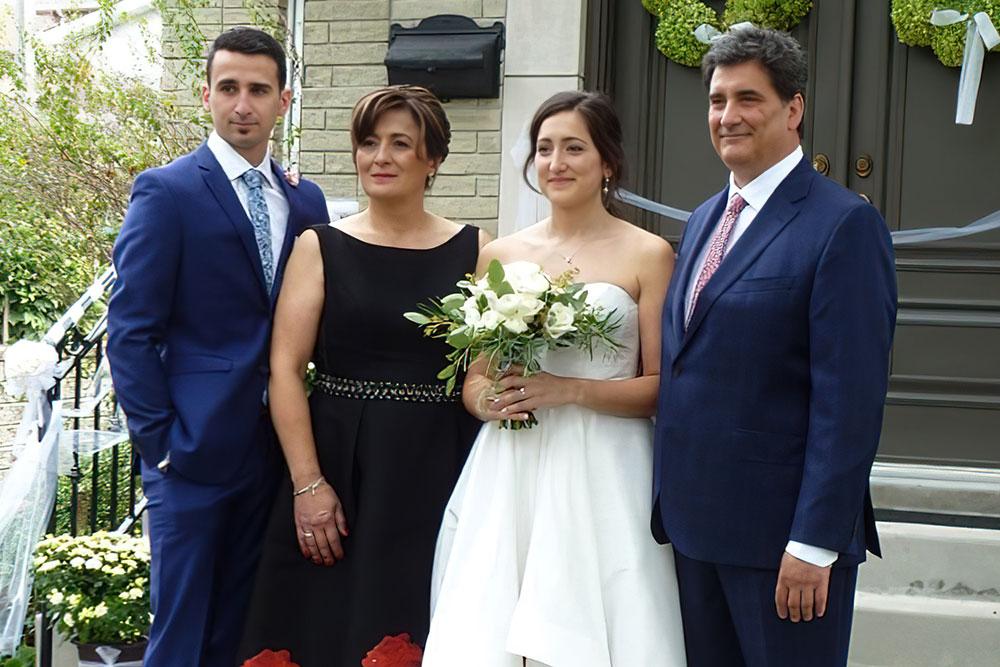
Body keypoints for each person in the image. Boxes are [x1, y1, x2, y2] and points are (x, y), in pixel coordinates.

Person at [652, 27, 897, 666]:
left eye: (748, 99)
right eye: (716, 100)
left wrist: (814, 542)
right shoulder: (705, 217)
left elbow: (850, 402)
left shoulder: (843, 224)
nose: (727, 116)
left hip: (783, 547)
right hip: (694, 529)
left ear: (793, 109)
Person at [423, 91, 687, 667]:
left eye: (574, 148)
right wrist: (489, 402)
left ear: (607, 162)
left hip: (607, 464)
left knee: (605, 608)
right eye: (544, 149)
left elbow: (662, 387)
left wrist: (570, 391)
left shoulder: (648, 254)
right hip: (515, 461)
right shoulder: (502, 253)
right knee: (495, 614)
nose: (556, 163)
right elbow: (475, 379)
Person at [239, 85, 488, 665]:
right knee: (325, 624)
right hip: (338, 466)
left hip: (438, 466)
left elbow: (481, 373)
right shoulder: (319, 246)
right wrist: (308, 484)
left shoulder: (477, 251)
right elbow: (284, 368)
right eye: (369, 142)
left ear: (433, 161)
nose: (381, 156)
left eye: (401, 144)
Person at [106, 27, 329, 667]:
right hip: (192, 453)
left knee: (245, 628)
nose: (243, 104)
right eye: (228, 88)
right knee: (180, 634)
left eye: (259, 90)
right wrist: (161, 444)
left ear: (283, 100)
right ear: (206, 95)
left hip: (274, 451)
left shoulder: (304, 198)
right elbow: (132, 329)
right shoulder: (167, 191)